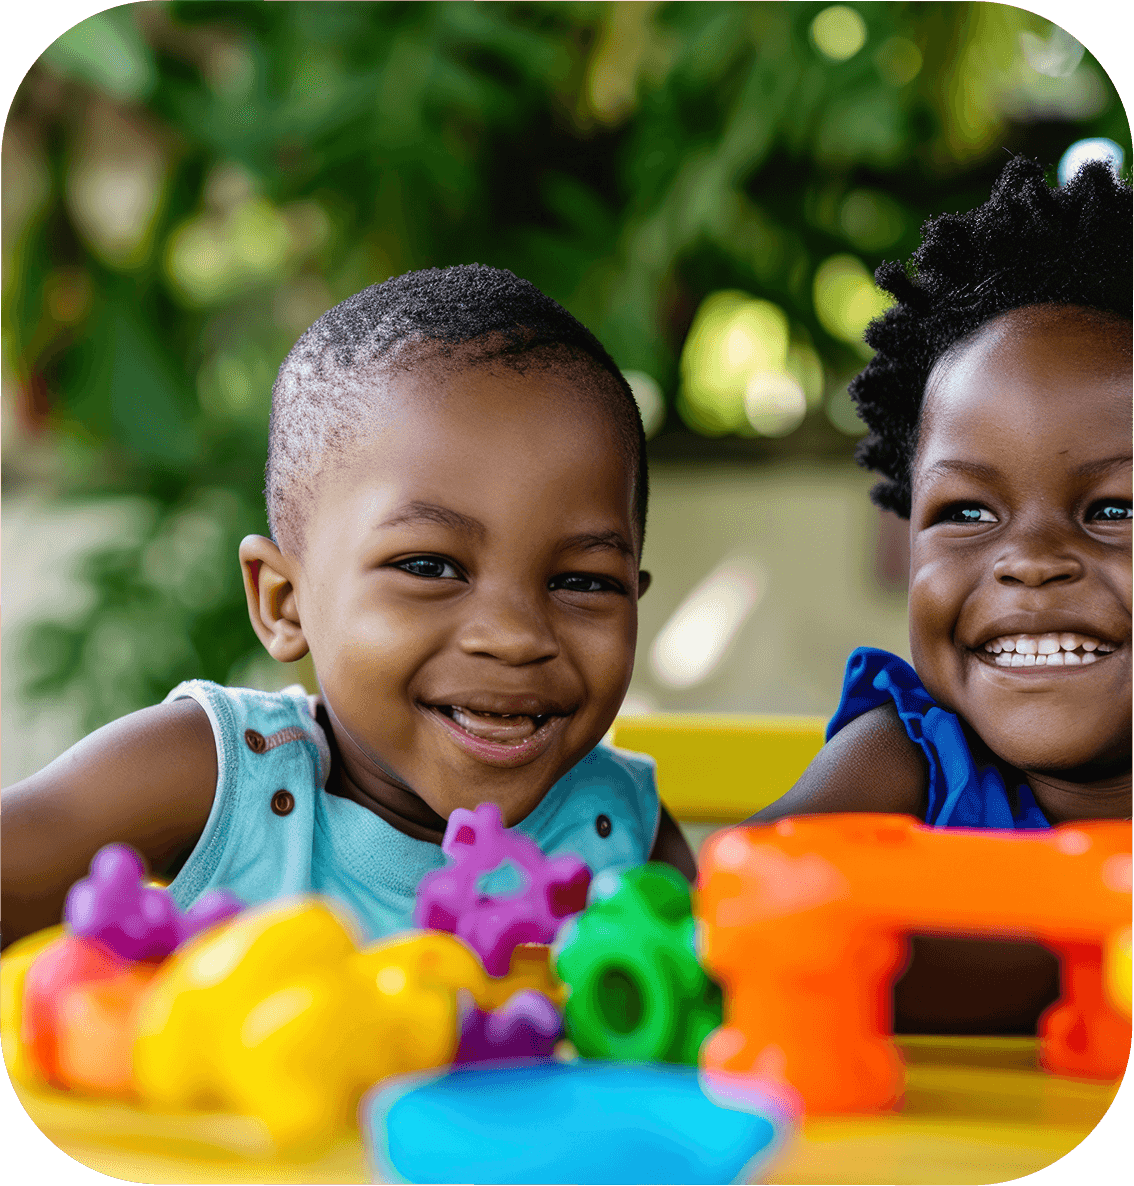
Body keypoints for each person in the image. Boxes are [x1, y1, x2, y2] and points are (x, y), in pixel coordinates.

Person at [2, 265, 696, 949]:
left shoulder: (619, 828)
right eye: (429, 567)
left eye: (582, 581)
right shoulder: (220, 780)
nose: (513, 637)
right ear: (284, 601)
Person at [744, 157, 1132, 1031]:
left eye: (1112, 508)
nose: (1029, 560)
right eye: (967, 511)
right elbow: (741, 899)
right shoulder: (909, 761)